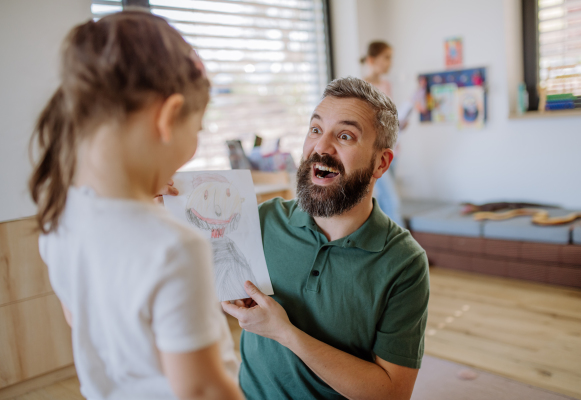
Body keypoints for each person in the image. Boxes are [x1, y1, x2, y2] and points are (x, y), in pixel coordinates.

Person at [29, 12, 243, 400]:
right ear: (168, 117)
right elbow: (202, 390)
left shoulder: (58, 213)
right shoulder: (174, 247)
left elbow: (83, 318)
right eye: (196, 130)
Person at [222, 77, 430, 400]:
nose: (321, 147)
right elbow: (214, 294)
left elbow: (391, 394)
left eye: (345, 136)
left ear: (381, 162)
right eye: (315, 130)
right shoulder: (263, 220)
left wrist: (285, 333)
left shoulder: (405, 264)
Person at [361, 41, 404, 226]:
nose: (390, 63)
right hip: (376, 150)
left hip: (393, 147)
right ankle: (403, 251)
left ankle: (389, 248)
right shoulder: (362, 87)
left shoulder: (386, 85)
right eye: (386, 57)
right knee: (392, 201)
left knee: (388, 202)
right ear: (372, 59)